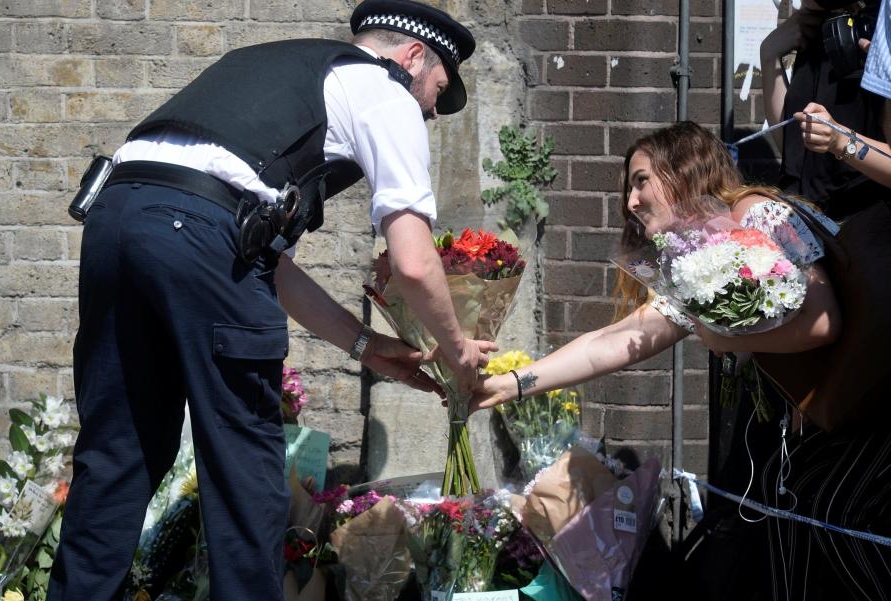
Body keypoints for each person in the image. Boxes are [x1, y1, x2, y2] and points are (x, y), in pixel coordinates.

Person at [49, 1, 499, 599]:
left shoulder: (273, 69)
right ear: (413, 57)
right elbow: (415, 262)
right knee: (244, 474)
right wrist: (457, 348)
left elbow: (258, 259)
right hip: (198, 233)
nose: (435, 110)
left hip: (115, 217)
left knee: (115, 457)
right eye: (439, 89)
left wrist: (364, 345)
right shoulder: (385, 92)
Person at [472, 122, 891, 599]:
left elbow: (823, 321)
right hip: (825, 424)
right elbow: (614, 341)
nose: (631, 202)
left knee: (840, 524)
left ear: (683, 172)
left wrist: (722, 339)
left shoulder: (758, 213)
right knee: (793, 535)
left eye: (641, 180)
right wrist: (511, 385)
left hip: (873, 409)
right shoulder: (697, 262)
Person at [760, 0, 885, 219]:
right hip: (805, 220)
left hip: (862, 224)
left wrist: (841, 142)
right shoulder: (818, 27)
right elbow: (794, 148)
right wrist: (769, 56)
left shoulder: (882, 32)